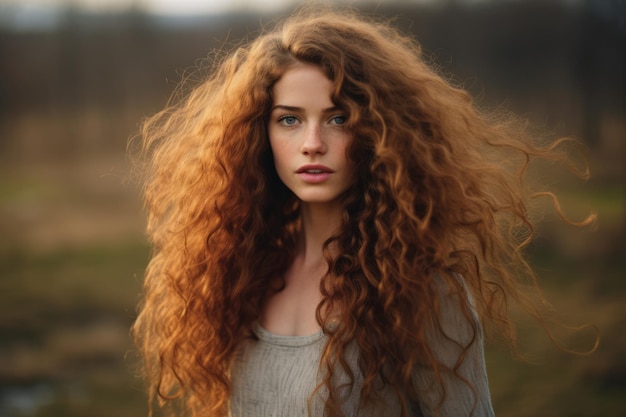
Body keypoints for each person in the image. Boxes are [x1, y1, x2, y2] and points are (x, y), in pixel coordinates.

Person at [132, 6, 594, 417]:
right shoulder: (240, 275)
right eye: (289, 119)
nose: (312, 143)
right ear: (259, 134)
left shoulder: (422, 292)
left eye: (338, 118)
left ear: (379, 132)